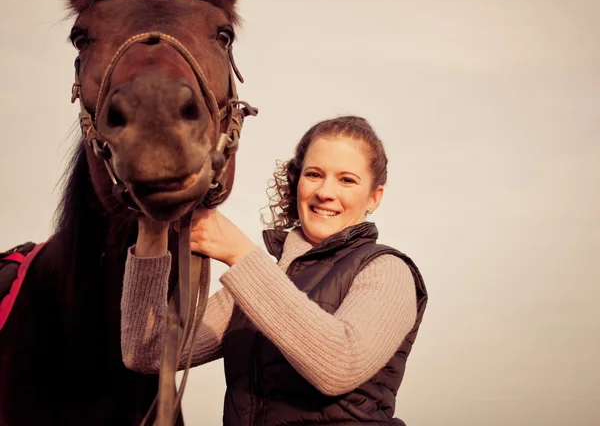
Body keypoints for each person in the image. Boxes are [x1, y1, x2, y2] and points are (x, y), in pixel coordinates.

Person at [121, 115, 428, 425]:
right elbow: (147, 353)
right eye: (314, 174)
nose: (325, 192)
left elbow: (340, 366)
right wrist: (151, 231)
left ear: (374, 198)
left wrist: (239, 254)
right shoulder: (257, 282)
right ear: (297, 183)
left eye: (346, 180)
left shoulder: (387, 269)